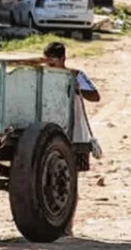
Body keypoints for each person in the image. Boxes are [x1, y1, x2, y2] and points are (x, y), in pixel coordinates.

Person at [42, 41, 103, 237]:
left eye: (53, 63)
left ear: (62, 60)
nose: (49, 67)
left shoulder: (76, 75)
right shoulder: (42, 77)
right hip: (50, 134)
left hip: (76, 135)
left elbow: (95, 96)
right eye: (47, 63)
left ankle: (67, 226)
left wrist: (77, 88)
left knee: (69, 181)